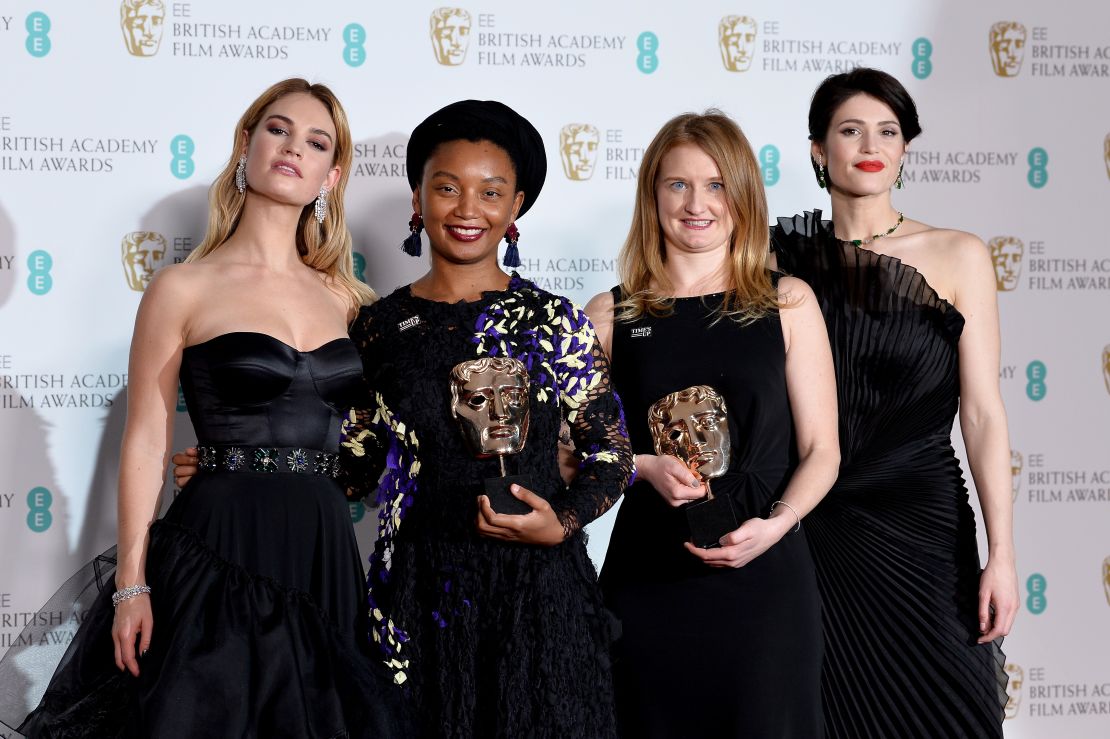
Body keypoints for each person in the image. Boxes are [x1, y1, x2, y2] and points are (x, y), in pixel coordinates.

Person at [9, 78, 404, 738]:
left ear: (331, 176)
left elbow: (375, 437)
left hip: (322, 543)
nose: (292, 148)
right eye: (277, 129)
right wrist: (132, 584)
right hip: (221, 538)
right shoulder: (183, 286)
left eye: (315, 142)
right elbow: (145, 438)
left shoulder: (347, 299)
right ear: (246, 144)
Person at [339, 100, 633, 737]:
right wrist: (247, 464)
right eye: (446, 187)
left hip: (537, 593)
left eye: (490, 191)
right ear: (418, 198)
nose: (467, 209)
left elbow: (610, 453)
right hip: (417, 591)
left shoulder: (555, 321)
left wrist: (565, 521)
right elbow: (354, 469)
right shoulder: (377, 328)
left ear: (517, 206)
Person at [771, 67, 1017, 738]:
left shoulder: (958, 254)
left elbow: (984, 413)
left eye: (888, 131)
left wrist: (1002, 551)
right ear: (818, 150)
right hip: (812, 523)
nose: (870, 144)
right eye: (849, 130)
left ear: (905, 148)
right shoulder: (774, 261)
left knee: (949, 710)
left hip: (923, 521)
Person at [588, 111, 840, 737]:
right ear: (653, 195)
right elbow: (576, 455)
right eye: (677, 184)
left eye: (715, 184)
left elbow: (823, 451)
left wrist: (776, 526)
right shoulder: (609, 314)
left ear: (743, 195)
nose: (696, 203)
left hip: (767, 578)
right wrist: (640, 465)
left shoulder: (789, 301)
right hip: (649, 580)